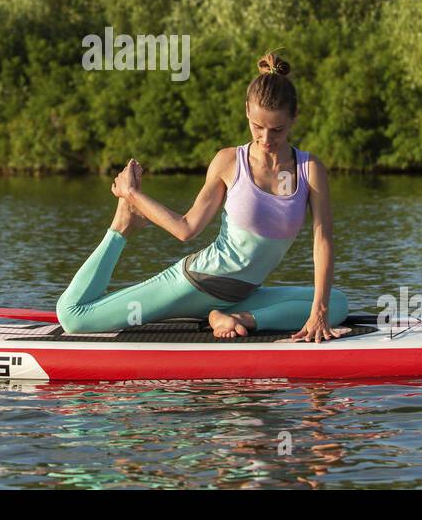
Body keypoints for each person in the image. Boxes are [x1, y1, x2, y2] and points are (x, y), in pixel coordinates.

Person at [56, 51, 350, 341]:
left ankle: (238, 320)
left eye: (277, 130)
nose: (266, 139)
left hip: (241, 297)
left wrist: (318, 313)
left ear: (294, 117)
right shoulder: (229, 162)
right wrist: (132, 194)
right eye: (257, 127)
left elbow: (322, 241)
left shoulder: (309, 169)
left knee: (335, 304)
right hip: (196, 284)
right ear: (247, 110)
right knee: (73, 315)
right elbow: (186, 228)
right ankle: (121, 226)